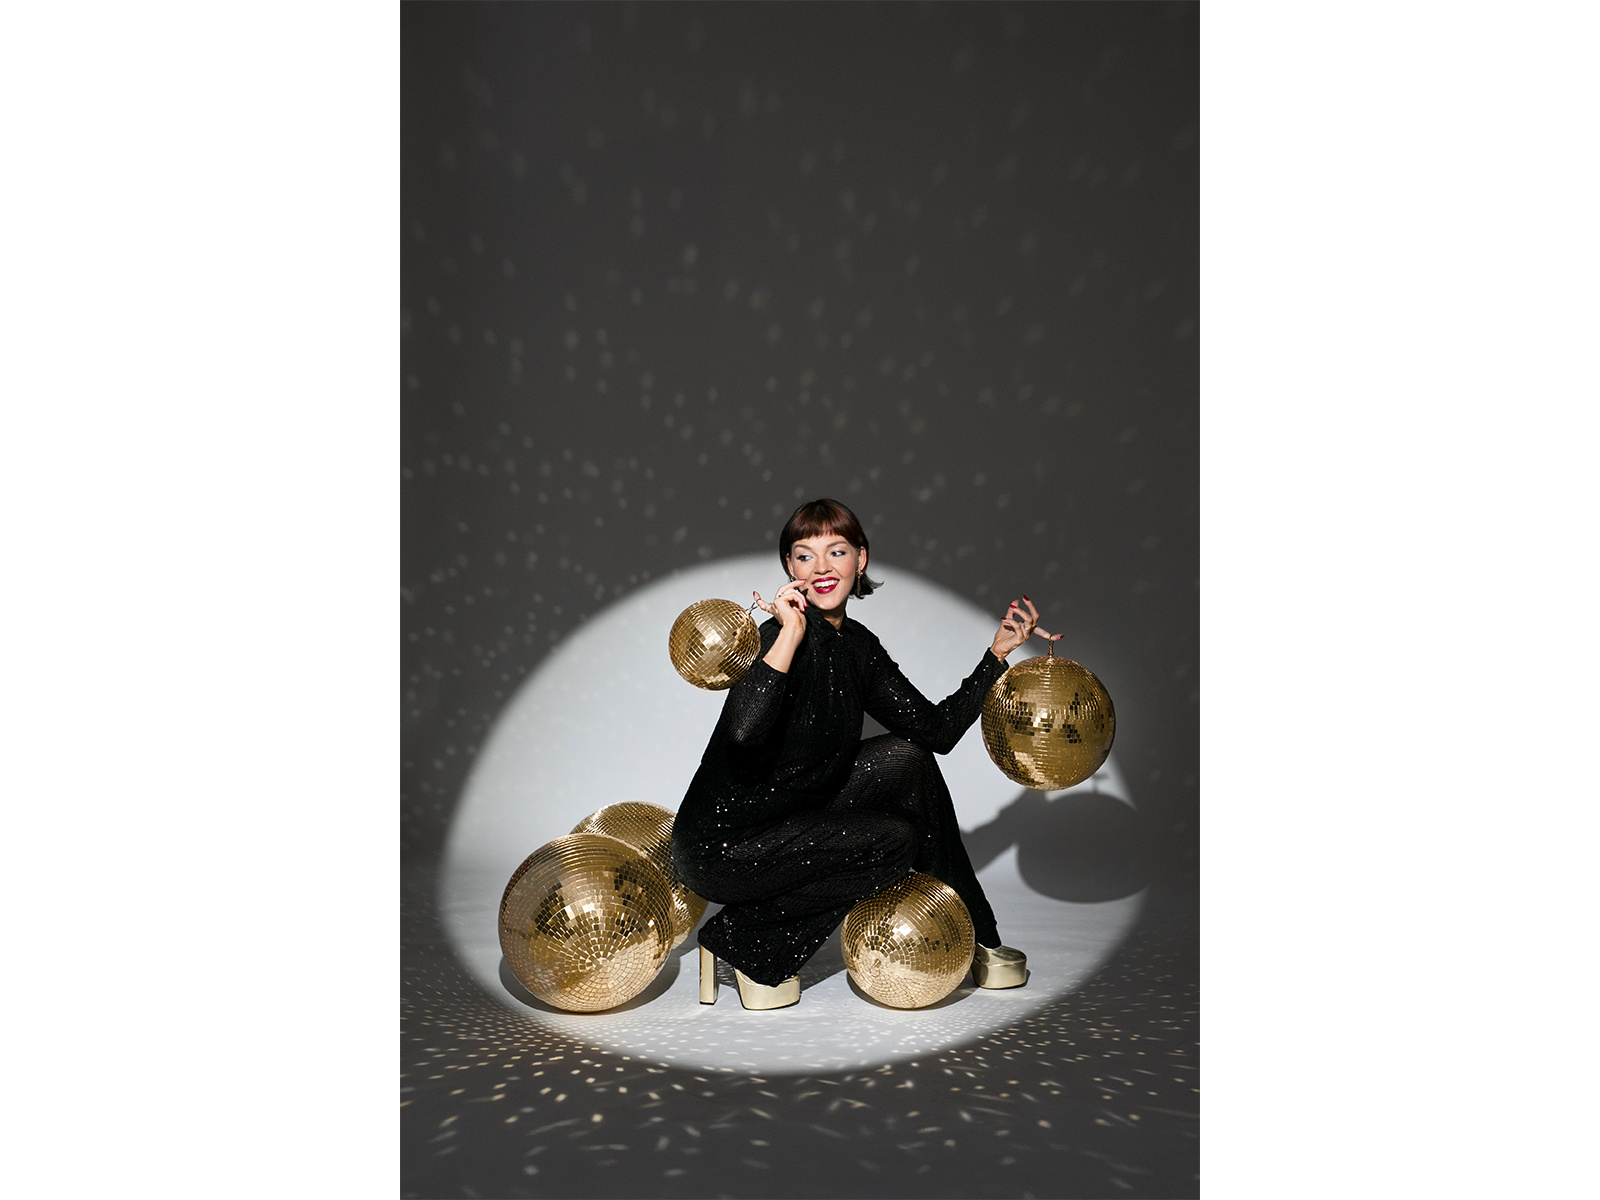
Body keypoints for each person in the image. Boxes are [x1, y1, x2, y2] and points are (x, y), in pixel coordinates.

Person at [670, 498, 1056, 1009]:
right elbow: (743, 732)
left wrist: (996, 655)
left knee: (910, 758)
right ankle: (745, 943)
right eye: (805, 555)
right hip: (725, 844)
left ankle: (979, 936)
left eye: (837, 551)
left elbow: (935, 731)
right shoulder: (773, 637)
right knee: (894, 841)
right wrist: (789, 634)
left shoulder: (858, 646)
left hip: (793, 818)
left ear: (861, 559)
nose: (822, 568)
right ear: (789, 567)